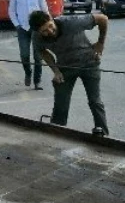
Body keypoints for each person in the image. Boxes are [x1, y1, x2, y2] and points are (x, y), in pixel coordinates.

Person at [29, 9, 110, 137]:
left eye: (50, 26)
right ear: (38, 32)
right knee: (61, 103)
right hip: (65, 67)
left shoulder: (71, 22)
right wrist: (55, 71)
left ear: (52, 18)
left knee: (95, 101)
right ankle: (56, 135)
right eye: (44, 31)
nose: (49, 31)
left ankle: (104, 135)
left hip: (89, 63)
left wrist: (100, 43)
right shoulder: (36, 36)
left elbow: (103, 19)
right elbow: (43, 51)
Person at [9, 0, 48, 90]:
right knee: (24, 55)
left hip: (37, 29)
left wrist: (47, 24)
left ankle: (37, 81)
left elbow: (44, 10)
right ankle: (28, 73)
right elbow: (11, 11)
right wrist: (17, 25)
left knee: (38, 56)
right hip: (22, 28)